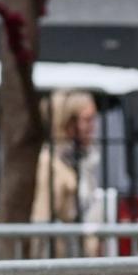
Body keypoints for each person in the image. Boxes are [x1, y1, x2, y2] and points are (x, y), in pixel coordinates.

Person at [32, 90, 101, 224]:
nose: (93, 127)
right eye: (87, 120)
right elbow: (41, 220)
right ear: (67, 123)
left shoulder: (80, 161)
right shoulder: (49, 164)